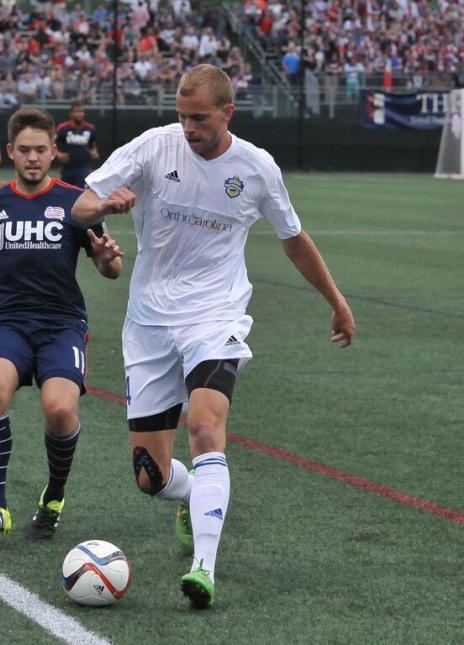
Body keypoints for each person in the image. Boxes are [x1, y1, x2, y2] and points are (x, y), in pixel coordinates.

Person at [71, 64, 355, 609]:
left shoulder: (256, 168)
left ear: (228, 112)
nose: (188, 127)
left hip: (216, 317)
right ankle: (192, 497)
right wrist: (107, 205)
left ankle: (204, 566)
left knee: (205, 426)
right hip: (150, 321)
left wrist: (336, 301)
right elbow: (80, 204)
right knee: (149, 476)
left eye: (199, 117)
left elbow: (294, 240)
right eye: (182, 116)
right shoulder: (155, 147)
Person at [0, 107, 123, 540]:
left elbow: (109, 269)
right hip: (9, 323)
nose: (33, 157)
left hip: (61, 325)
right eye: (24, 150)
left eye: (40, 149)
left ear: (54, 152)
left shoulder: (77, 202)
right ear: (10, 154)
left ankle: (53, 497)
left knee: (59, 410)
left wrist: (109, 260)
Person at [55, 102, 99, 188]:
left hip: (83, 168)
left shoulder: (90, 128)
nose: (80, 114)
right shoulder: (62, 128)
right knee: (66, 194)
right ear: (71, 114)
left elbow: (93, 145)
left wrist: (94, 152)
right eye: (77, 111)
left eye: (82, 111)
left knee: (80, 193)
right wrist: (58, 154)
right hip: (67, 168)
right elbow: (52, 143)